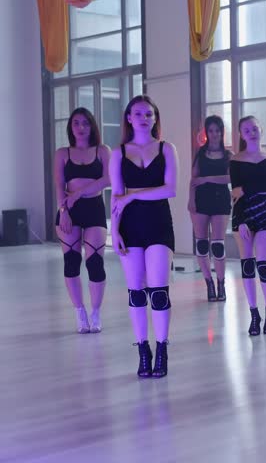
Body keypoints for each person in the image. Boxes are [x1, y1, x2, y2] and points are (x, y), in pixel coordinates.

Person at [109, 95, 177, 378]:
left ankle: (162, 349)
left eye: (149, 114)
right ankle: (143, 350)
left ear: (155, 118)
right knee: (136, 292)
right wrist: (114, 232)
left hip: (159, 222)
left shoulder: (166, 148)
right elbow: (115, 196)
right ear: (128, 118)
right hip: (130, 226)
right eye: (138, 114)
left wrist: (132, 195)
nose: (144, 118)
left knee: (158, 292)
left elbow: (170, 189)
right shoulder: (118, 153)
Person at [53, 107, 111, 333]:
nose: (81, 127)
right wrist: (63, 210)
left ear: (92, 126)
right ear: (71, 127)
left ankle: (96, 312)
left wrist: (78, 193)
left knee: (95, 262)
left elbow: (108, 179)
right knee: (71, 262)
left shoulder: (102, 150)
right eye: (76, 123)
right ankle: (80, 311)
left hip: (94, 208)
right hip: (69, 210)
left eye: (85, 123)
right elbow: (59, 184)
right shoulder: (62, 153)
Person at [230, 116, 266, 336]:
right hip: (244, 213)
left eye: (254, 128)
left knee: (263, 263)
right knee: (248, 266)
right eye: (246, 130)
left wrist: (245, 189)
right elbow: (236, 192)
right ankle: (254, 313)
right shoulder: (236, 159)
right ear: (241, 134)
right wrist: (240, 220)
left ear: (262, 129)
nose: (252, 132)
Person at [189, 115, 232, 302]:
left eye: (217, 130)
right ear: (207, 132)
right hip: (201, 201)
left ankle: (221, 282)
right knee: (201, 244)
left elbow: (229, 178)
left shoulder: (228, 155)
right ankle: (209, 283)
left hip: (221, 200)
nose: (214, 134)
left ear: (222, 132)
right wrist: (191, 201)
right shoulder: (200, 153)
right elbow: (193, 180)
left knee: (218, 245)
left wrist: (207, 179)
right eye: (211, 130)